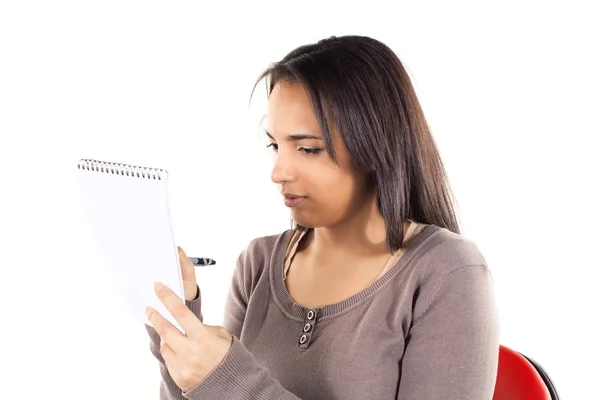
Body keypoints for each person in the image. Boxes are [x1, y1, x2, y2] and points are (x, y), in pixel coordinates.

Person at [144, 35, 500, 400]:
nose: (278, 171)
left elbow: (232, 388)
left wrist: (231, 382)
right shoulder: (258, 265)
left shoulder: (447, 273)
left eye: (307, 149)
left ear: (374, 147)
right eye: (275, 146)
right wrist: (176, 330)